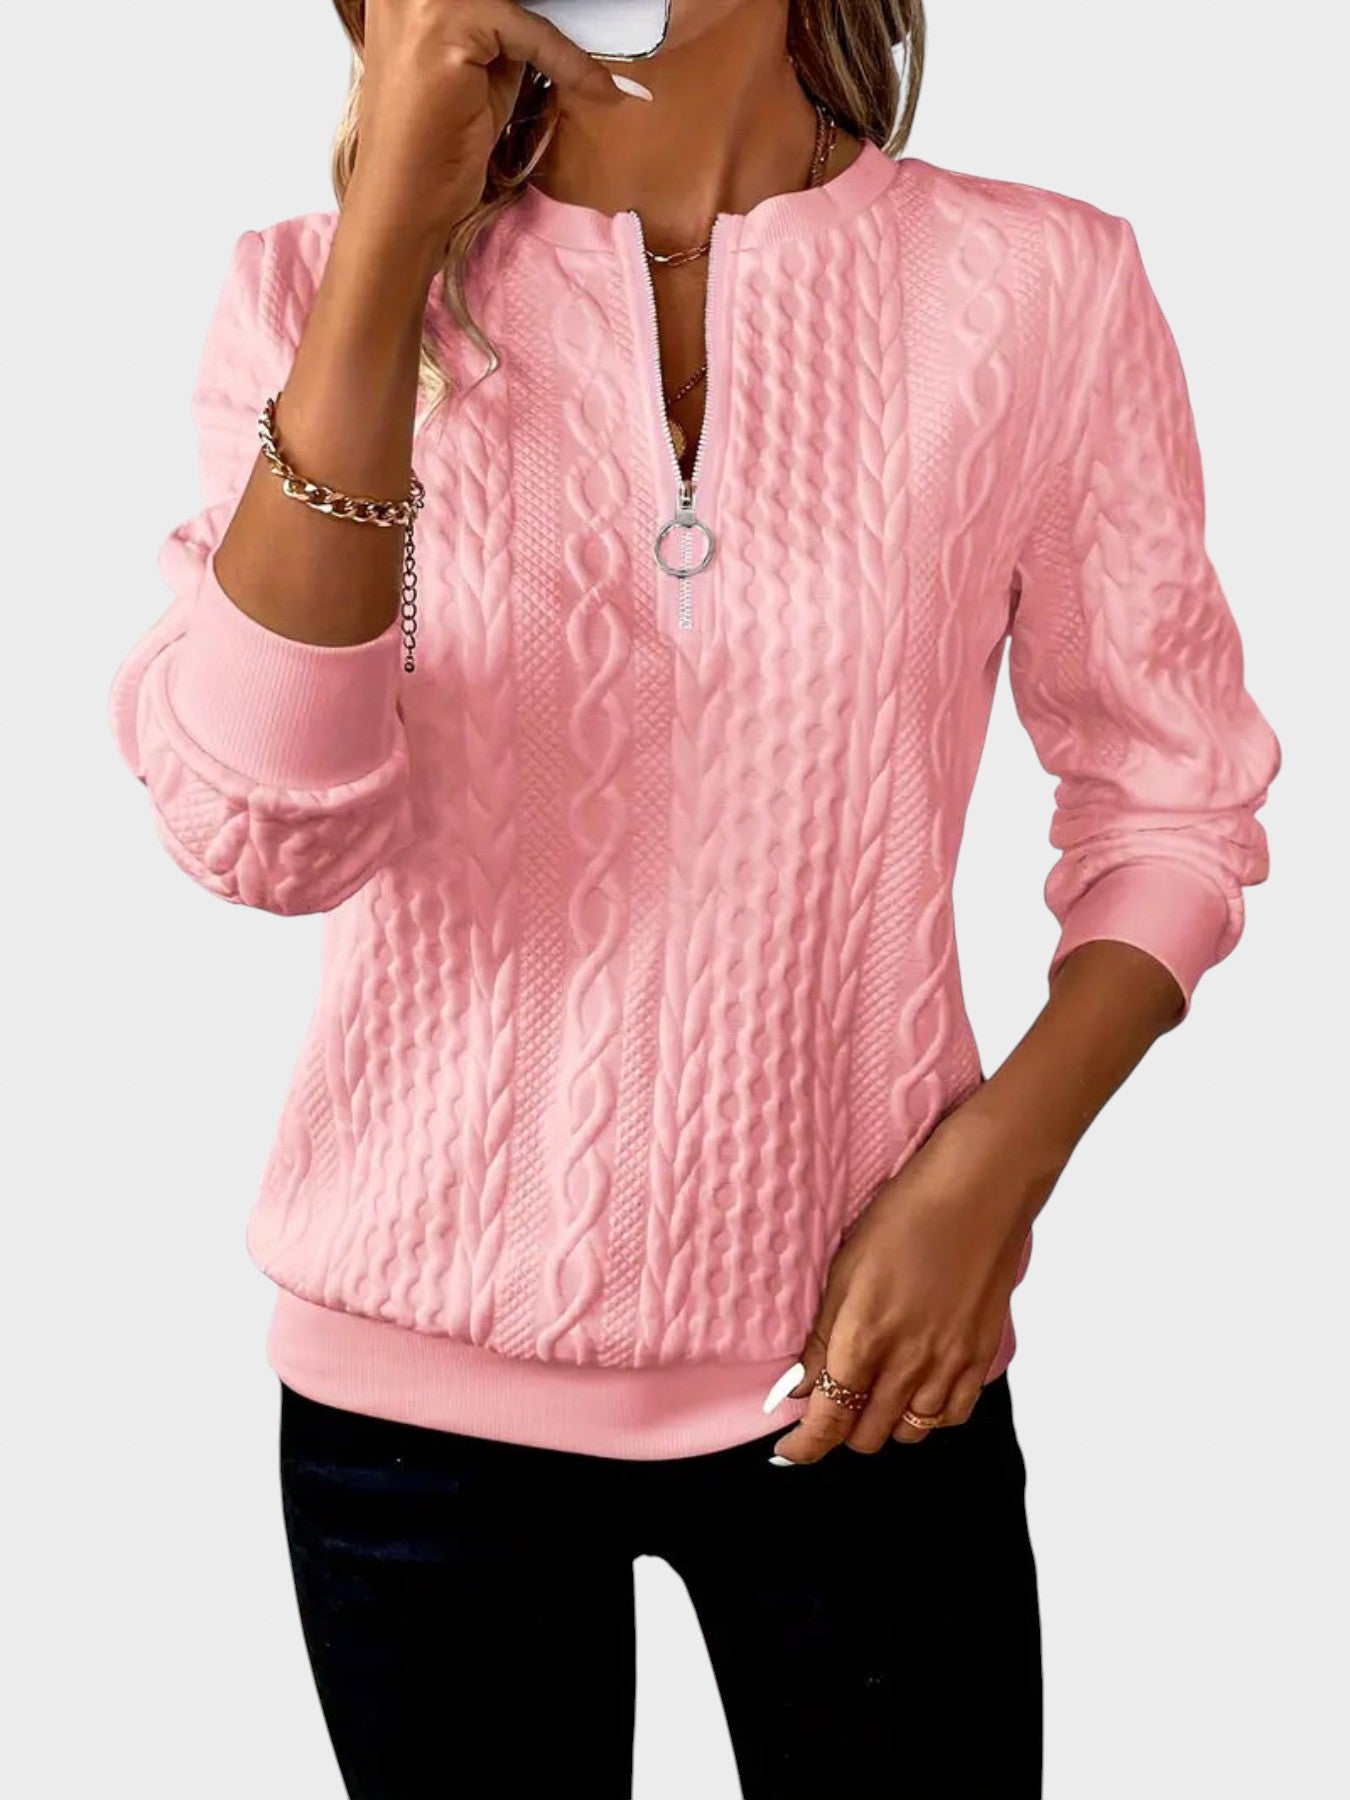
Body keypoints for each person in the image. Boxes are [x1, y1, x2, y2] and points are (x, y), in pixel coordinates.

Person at [106, 2, 1282, 1795]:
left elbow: (1172, 794)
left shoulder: (1035, 285)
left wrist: (992, 1173)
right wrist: (386, 248)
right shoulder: (308, 291)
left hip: (868, 1362)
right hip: (405, 1407)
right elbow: (262, 831)